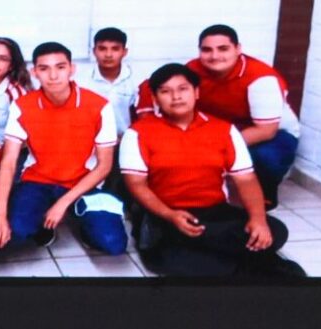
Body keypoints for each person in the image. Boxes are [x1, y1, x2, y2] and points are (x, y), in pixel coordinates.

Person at [120, 64, 295, 279]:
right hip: (164, 214)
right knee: (172, 260)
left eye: (183, 89)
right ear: (155, 99)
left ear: (196, 92)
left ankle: (203, 247)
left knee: (275, 230)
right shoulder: (138, 133)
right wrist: (170, 215)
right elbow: (136, 185)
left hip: (214, 214)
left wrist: (257, 219)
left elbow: (246, 180)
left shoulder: (224, 130)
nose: (176, 97)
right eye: (165, 91)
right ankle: (250, 262)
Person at [133, 24, 301, 206]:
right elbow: (151, 84)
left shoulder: (261, 78)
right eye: (207, 50)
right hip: (223, 129)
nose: (214, 56)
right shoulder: (195, 68)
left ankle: (265, 192)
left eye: (223, 49)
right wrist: (147, 119)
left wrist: (213, 147)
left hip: (272, 135)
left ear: (238, 49)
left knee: (266, 157)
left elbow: (266, 130)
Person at [0, 42, 126, 257]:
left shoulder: (98, 105)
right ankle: (42, 224)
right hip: (38, 180)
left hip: (83, 181)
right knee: (18, 230)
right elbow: (9, 161)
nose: (53, 76)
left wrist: (63, 203)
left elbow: (104, 165)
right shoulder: (22, 106)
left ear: (72, 69)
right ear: (35, 72)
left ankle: (82, 221)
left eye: (60, 67)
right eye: (44, 69)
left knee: (113, 244)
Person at [79, 27, 137, 139]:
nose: (108, 54)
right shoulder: (81, 81)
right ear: (94, 51)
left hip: (126, 140)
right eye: (102, 49)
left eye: (115, 49)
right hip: (92, 140)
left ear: (124, 52)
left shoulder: (136, 79)